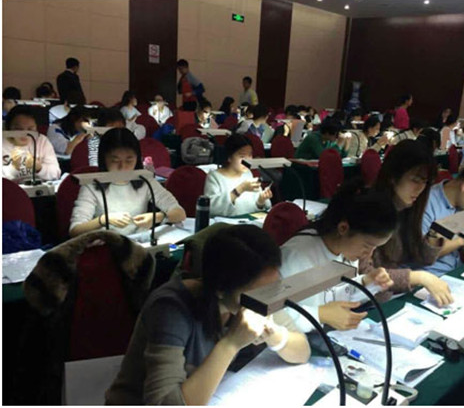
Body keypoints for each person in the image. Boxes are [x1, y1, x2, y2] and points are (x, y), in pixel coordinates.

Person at [105, 225, 310, 405]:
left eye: (273, 289)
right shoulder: (170, 308)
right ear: (220, 288)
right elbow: (164, 403)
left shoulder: (259, 292)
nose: (267, 299)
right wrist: (230, 344)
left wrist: (275, 335)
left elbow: (303, 352)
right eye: (258, 294)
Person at [279, 185, 397, 332]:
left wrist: (366, 283)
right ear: (343, 228)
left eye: (375, 248)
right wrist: (320, 314)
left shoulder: (345, 249)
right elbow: (270, 316)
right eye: (367, 246)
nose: (369, 255)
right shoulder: (296, 257)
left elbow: (338, 294)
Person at [359, 140, 454, 307]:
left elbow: (421, 258)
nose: (421, 189)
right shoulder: (367, 212)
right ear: (393, 176)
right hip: (371, 304)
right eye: (415, 180)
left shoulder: (407, 210)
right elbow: (366, 278)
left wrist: (434, 235)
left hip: (394, 297)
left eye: (425, 182)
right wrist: (417, 277)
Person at [69, 128, 186, 237]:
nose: (123, 167)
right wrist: (102, 220)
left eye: (129, 160)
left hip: (139, 243)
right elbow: (75, 230)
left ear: (137, 158)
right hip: (107, 244)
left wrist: (157, 217)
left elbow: (180, 213)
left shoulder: (145, 181)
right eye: (115, 161)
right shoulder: (91, 186)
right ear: (104, 159)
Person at [204, 134, 272, 217]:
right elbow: (211, 208)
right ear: (229, 157)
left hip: (249, 221)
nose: (247, 160)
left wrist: (261, 201)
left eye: (250, 155)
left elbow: (254, 208)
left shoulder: (247, 173)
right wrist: (240, 189)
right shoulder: (215, 177)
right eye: (242, 156)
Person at [3, 106, 61, 182]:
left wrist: (40, 168)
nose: (25, 134)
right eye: (18, 129)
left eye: (30, 129)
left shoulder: (41, 141)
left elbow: (56, 173)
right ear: (9, 128)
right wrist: (13, 168)